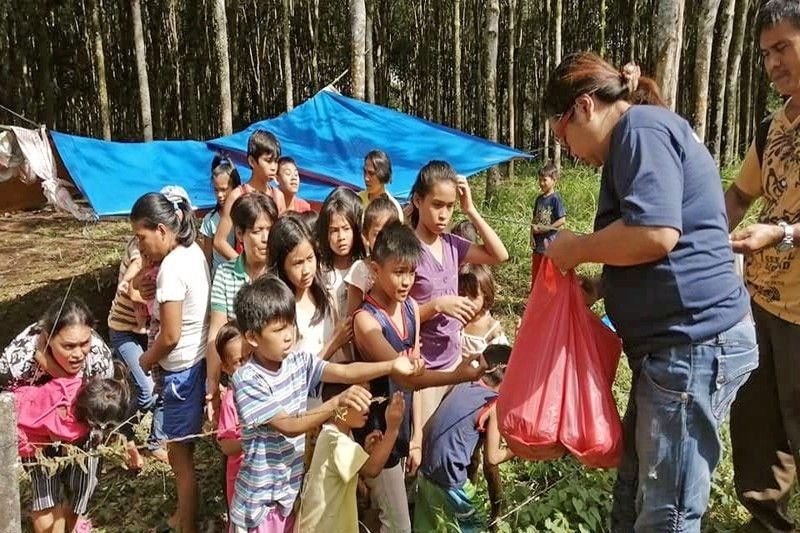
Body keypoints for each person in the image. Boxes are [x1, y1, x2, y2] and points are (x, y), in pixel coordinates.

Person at [542, 52, 757, 532]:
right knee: (635, 499)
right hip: (670, 351)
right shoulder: (632, 139)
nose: (571, 151)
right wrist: (603, 283)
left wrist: (577, 248)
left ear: (584, 106)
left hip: (692, 346)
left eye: (563, 136)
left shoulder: (640, 130)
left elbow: (657, 233)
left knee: (667, 514)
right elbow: (650, 242)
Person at [227, 274, 424, 532]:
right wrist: (337, 403)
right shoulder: (247, 378)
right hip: (259, 504)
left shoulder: (298, 362)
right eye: (278, 330)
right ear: (252, 337)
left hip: (289, 495)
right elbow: (288, 425)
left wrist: (391, 365)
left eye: (290, 325)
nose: (288, 335)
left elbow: (345, 372)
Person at [352, 221, 488, 533]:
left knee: (389, 510)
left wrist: (415, 438)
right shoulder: (366, 321)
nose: (406, 281)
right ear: (375, 269)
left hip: (402, 426)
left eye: (412, 273)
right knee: (397, 522)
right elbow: (407, 375)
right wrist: (456, 374)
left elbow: (416, 370)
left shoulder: (411, 307)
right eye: (398, 271)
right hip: (377, 431)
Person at [723, 3, 800, 531]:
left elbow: (780, 221)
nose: (773, 63)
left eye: (783, 48)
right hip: (761, 302)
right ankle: (766, 520)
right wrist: (704, 234)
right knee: (755, 424)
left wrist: (783, 232)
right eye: (766, 54)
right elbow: (739, 193)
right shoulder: (772, 125)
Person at [131, 190, 210, 533]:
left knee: (180, 459)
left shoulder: (171, 270)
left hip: (180, 370)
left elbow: (170, 334)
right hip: (198, 360)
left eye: (141, 236)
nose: (140, 245)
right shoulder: (191, 252)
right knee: (187, 453)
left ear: (162, 230)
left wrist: (145, 361)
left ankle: (186, 524)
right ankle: (187, 514)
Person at [408, 161, 509, 431]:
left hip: (456, 365)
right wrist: (437, 305)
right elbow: (394, 318)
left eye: (450, 206)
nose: (444, 215)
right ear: (418, 200)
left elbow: (500, 255)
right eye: (437, 204)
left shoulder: (452, 245)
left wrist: (471, 211)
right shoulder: (407, 251)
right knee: (422, 450)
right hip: (424, 373)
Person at [1, 298, 114, 533]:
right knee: (46, 494)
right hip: (36, 437)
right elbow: (6, 404)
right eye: (68, 346)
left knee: (80, 488)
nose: (79, 354)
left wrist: (53, 368)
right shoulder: (18, 358)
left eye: (84, 343)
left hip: (84, 429)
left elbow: (102, 405)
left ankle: (70, 525)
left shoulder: (99, 357)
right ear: (48, 338)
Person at [413, 345, 515, 533]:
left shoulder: (461, 383)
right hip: (449, 481)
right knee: (477, 524)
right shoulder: (493, 405)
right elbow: (492, 458)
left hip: (424, 471)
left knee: (427, 526)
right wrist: (518, 448)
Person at [207, 192, 279, 420]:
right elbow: (217, 330)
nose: (265, 238)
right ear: (240, 234)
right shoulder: (225, 273)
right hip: (241, 381)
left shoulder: (281, 272)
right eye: (257, 231)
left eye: (270, 229)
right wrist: (213, 382)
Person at [295, 387, 405, 533]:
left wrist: (365, 452)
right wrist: (393, 428)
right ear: (339, 408)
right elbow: (372, 469)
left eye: (368, 399)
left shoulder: (331, 435)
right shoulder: (336, 440)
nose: (367, 407)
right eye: (360, 400)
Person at [107, 235, 165, 468]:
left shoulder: (171, 252)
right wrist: (136, 289)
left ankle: (157, 442)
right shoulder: (140, 248)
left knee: (162, 386)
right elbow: (131, 287)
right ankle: (122, 431)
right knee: (147, 391)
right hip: (124, 330)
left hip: (150, 329)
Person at [268, 215, 351, 362]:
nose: (306, 270)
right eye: (297, 263)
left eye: (310, 259)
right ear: (281, 266)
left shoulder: (327, 294)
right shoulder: (279, 310)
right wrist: (333, 343)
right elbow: (295, 373)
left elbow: (343, 349)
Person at [15, 370, 131, 458]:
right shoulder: (74, 431)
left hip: (16, 401)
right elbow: (54, 437)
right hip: (20, 437)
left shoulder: (71, 383)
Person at [214, 130, 286, 261]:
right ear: (252, 161)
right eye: (268, 161)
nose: (274, 167)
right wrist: (245, 267)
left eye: (276, 161)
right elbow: (219, 241)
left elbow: (282, 238)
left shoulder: (278, 197)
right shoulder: (237, 196)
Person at [317, 187, 366, 322]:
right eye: (334, 230)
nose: (341, 237)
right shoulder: (320, 269)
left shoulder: (366, 268)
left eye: (346, 229)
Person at [345, 194, 399, 315]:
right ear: (365, 235)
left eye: (390, 231)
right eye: (377, 234)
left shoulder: (401, 265)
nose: (385, 239)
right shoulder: (360, 269)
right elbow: (352, 315)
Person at [215, 321, 247, 510]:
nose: (247, 365)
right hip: (241, 480)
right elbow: (227, 446)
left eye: (250, 356)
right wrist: (255, 437)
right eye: (239, 361)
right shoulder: (231, 400)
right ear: (226, 368)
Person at [201, 154, 242, 274]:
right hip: (219, 282)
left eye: (224, 189)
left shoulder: (244, 217)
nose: (219, 195)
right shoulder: (210, 220)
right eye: (216, 190)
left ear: (234, 188)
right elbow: (208, 258)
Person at [458, 264, 509, 357]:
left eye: (473, 296)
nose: (466, 301)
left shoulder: (491, 330)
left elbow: (501, 361)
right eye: (461, 294)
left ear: (485, 294)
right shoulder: (454, 320)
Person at [529, 162, 566, 287]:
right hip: (537, 244)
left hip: (549, 243)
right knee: (536, 273)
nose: (541, 183)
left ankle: (548, 300)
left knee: (548, 274)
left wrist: (545, 229)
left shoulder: (555, 199)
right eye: (540, 180)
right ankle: (535, 298)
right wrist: (531, 236)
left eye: (545, 180)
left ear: (554, 180)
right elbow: (534, 220)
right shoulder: (539, 199)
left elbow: (562, 220)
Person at [360, 150, 404, 222]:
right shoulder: (357, 200)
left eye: (371, 173)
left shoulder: (394, 209)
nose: (366, 178)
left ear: (383, 175)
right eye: (365, 172)